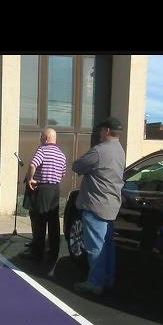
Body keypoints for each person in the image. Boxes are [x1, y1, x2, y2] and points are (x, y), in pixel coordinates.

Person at [72, 117, 126, 295]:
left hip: (96, 206)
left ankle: (94, 283)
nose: (99, 133)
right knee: (108, 247)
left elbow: (78, 166)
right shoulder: (120, 150)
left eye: (101, 130)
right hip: (111, 206)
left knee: (95, 247)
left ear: (107, 131)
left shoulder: (99, 151)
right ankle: (108, 279)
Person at [21, 128, 66, 260]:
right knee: (53, 221)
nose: (40, 139)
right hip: (55, 189)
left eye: (41, 137)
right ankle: (53, 251)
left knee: (39, 220)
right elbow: (63, 173)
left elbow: (32, 165)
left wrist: (30, 179)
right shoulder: (61, 154)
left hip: (42, 189)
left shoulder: (42, 150)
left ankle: (37, 251)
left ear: (46, 138)